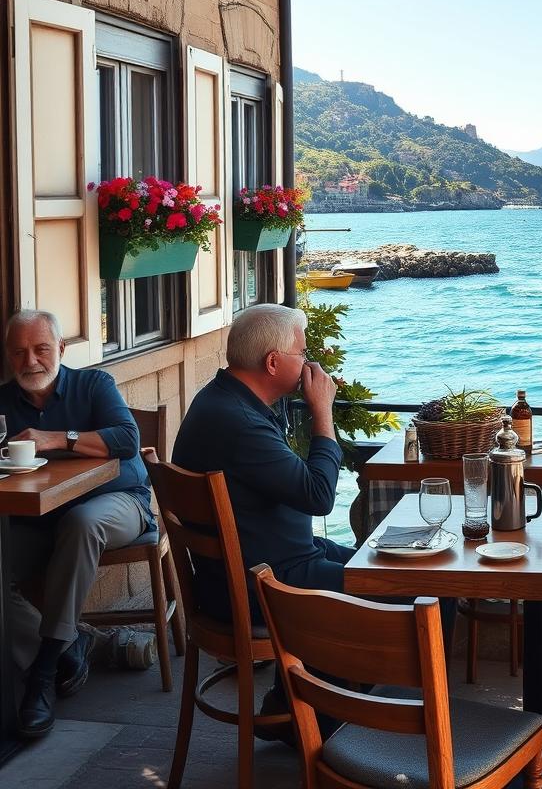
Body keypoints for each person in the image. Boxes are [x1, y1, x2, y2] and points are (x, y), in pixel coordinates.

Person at [172, 303, 351, 729]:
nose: (309, 363)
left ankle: (296, 708)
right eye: (302, 354)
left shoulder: (218, 400)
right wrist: (322, 410)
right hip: (263, 583)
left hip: (245, 570)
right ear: (273, 363)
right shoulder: (240, 424)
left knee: (379, 563)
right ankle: (318, 722)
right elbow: (320, 495)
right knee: (413, 591)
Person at [1, 310, 153, 739]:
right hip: (40, 516)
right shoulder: (3, 402)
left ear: (62, 349)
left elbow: (127, 441)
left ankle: (42, 675)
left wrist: (56, 438)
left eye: (41, 348)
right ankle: (69, 645)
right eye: (18, 352)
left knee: (83, 523)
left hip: (118, 502)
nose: (30, 360)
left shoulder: (93, 385)